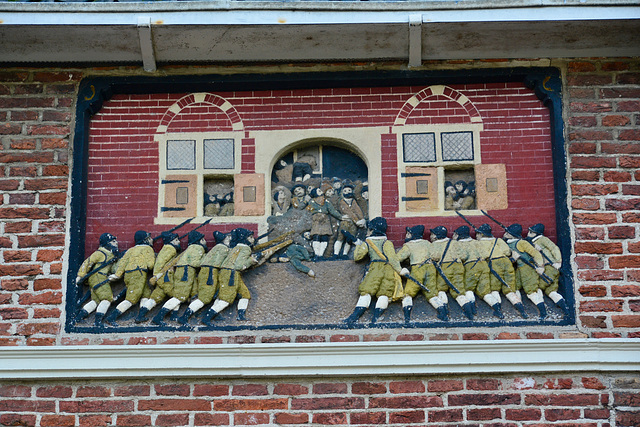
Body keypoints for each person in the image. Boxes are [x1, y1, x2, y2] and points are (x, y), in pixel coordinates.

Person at [344, 217, 404, 325]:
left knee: (366, 291)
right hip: (388, 269)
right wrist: (400, 270)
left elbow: (357, 257)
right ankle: (376, 318)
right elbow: (393, 259)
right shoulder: (387, 243)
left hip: (375, 268)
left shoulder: (368, 243)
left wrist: (358, 244)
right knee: (384, 293)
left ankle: (354, 317)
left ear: (372, 230)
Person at [201, 228, 259, 325]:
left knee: (245, 294)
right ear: (245, 239)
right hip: (231, 273)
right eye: (250, 237)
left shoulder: (236, 247)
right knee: (226, 299)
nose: (253, 239)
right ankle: (207, 317)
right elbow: (239, 266)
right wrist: (251, 261)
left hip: (227, 272)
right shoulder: (246, 249)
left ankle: (241, 315)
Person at [152, 230, 207, 326]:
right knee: (180, 296)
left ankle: (174, 315)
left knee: (186, 294)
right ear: (199, 240)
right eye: (203, 239)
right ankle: (159, 317)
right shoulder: (197, 248)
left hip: (186, 271)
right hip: (186, 272)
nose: (205, 241)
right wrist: (206, 260)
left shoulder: (191, 248)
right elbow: (195, 263)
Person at [474, 223, 527, 318]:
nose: (476, 236)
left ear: (481, 234)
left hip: (494, 264)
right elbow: (507, 252)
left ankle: (498, 311)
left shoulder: (478, 243)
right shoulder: (498, 240)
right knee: (510, 289)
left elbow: (481, 256)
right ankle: (522, 310)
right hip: (507, 263)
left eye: (477, 234)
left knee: (495, 289)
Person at [396, 225, 448, 322]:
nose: (407, 235)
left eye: (408, 233)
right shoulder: (427, 243)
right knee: (432, 293)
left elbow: (398, 258)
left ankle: (407, 317)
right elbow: (436, 256)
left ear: (413, 235)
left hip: (417, 269)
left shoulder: (409, 245)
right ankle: (443, 314)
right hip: (431, 268)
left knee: (408, 293)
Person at [178, 231, 232, 324]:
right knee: (204, 298)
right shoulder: (222, 248)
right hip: (209, 272)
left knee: (216, 294)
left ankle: (214, 314)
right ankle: (184, 317)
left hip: (210, 271)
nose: (229, 240)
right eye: (227, 238)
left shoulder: (218, 248)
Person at [105, 230, 155, 326]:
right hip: (139, 274)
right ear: (146, 240)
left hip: (129, 274)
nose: (152, 240)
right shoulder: (148, 249)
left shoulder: (130, 250)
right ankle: (112, 317)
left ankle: (140, 316)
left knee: (146, 293)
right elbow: (151, 265)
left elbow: (122, 263)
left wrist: (118, 275)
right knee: (131, 299)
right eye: (150, 238)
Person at [135, 231, 181, 323]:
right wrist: (157, 276)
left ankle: (140, 316)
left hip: (162, 278)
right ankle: (162, 317)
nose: (179, 242)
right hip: (165, 278)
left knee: (155, 298)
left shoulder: (167, 248)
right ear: (171, 241)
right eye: (176, 240)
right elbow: (160, 264)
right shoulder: (170, 249)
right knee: (177, 296)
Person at [504, 223, 548, 319]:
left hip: (528, 268)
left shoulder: (521, 243)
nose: (506, 233)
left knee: (531, 291)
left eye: (508, 232)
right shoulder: (508, 243)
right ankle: (522, 310)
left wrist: (541, 266)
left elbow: (535, 253)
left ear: (513, 235)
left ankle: (543, 312)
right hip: (519, 268)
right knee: (515, 287)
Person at [430, 225, 474, 320]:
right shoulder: (454, 242)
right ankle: (469, 313)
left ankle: (444, 313)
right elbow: (464, 255)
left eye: (432, 234)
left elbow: (434, 257)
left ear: (436, 236)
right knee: (458, 290)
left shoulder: (435, 245)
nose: (431, 236)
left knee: (441, 289)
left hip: (445, 267)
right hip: (458, 266)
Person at [75, 233, 120, 326]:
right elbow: (87, 263)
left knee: (96, 301)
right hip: (98, 277)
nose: (117, 243)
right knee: (107, 299)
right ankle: (97, 322)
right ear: (107, 243)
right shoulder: (100, 253)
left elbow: (112, 269)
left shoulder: (110, 255)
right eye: (113, 241)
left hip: (98, 278)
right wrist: (80, 275)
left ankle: (79, 317)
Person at [527, 223, 569, 315]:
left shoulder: (543, 240)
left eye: (531, 232)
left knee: (537, 287)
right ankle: (566, 310)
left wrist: (558, 262)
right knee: (551, 291)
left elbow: (554, 248)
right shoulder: (533, 243)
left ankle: (543, 312)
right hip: (546, 268)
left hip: (550, 267)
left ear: (536, 233)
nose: (528, 233)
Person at [306, 187, 343, 259]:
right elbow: (308, 211)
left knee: (324, 237)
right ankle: (316, 254)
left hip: (325, 221)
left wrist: (341, 217)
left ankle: (321, 254)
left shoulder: (326, 202)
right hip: (316, 221)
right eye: (319, 190)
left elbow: (332, 211)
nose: (321, 191)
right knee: (316, 236)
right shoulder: (311, 202)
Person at [333, 183, 366, 259]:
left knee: (350, 239)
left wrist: (362, 219)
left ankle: (345, 254)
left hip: (353, 224)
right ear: (342, 193)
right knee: (340, 238)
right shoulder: (342, 201)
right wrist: (357, 221)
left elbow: (358, 211)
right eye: (345, 191)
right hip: (345, 223)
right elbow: (348, 212)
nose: (347, 192)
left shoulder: (353, 201)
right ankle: (336, 254)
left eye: (349, 190)